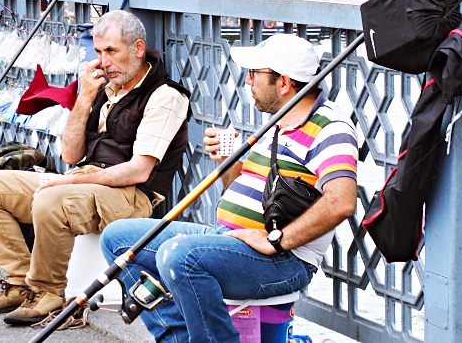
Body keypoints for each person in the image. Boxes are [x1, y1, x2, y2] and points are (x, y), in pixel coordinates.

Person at [100, 34, 358, 342]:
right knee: (118, 240)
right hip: (231, 240)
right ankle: (180, 338)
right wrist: (227, 161)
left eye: (254, 73)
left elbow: (342, 202)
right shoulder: (278, 122)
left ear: (284, 82)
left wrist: (276, 240)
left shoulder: (331, 128)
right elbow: (242, 193)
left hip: (282, 260)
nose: (247, 81)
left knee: (179, 255)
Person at [0, 10, 191, 326]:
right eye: (98, 52)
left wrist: (67, 184)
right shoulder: (102, 87)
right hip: (84, 180)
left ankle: (48, 294)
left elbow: (139, 171)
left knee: (50, 199)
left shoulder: (166, 95)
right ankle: (19, 283)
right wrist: (84, 99)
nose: (104, 61)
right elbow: (70, 155)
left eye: (112, 51)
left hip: (131, 195)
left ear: (138, 48)